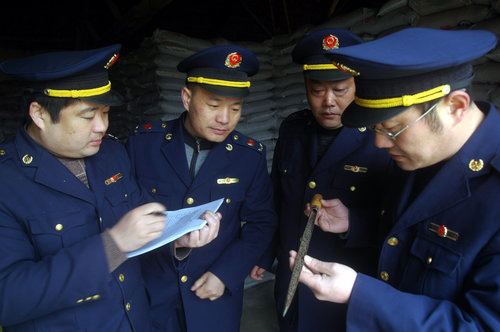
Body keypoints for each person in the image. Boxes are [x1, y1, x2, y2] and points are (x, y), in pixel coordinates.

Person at [290, 27, 500, 331]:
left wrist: (360, 294)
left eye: (391, 129)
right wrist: (354, 222)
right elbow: (408, 237)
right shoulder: (419, 156)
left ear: (455, 108)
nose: (379, 144)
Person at [0, 44, 221, 331]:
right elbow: (8, 298)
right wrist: (113, 246)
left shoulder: (111, 154)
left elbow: (142, 219)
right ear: (40, 114)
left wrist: (177, 238)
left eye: (105, 113)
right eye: (88, 116)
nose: (102, 126)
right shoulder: (7, 182)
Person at [251, 28, 393, 332]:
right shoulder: (293, 129)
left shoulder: (382, 138)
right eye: (317, 90)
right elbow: (278, 197)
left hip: (344, 278)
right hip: (292, 272)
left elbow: (394, 220)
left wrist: (353, 222)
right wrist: (264, 252)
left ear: (357, 85)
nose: (328, 101)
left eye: (339, 90)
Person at [126, 45, 278, 331]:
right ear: (186, 98)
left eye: (236, 108)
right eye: (213, 105)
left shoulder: (248, 156)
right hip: (153, 294)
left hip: (214, 296)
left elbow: (262, 221)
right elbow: (124, 211)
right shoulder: (143, 144)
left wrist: (226, 274)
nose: (225, 118)